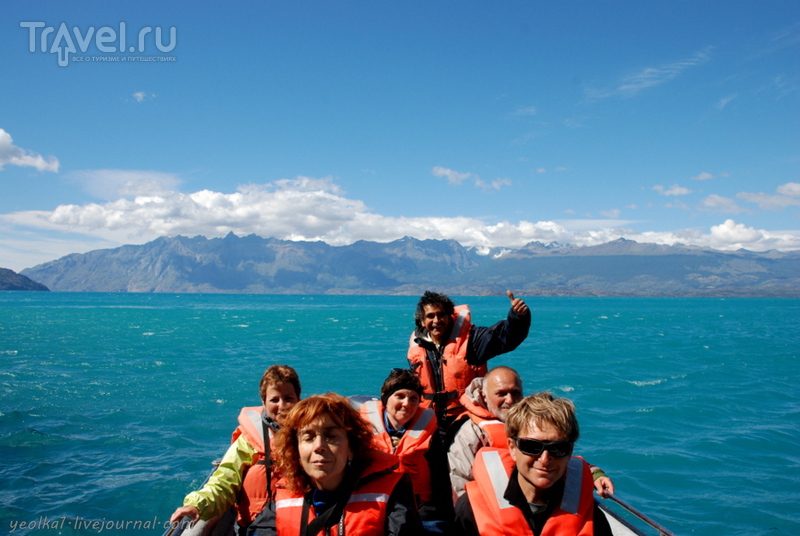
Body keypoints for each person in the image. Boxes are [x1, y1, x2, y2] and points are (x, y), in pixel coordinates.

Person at [247, 393, 423, 536]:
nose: (319, 447)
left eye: (331, 437)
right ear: (297, 450)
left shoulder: (391, 497)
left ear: (351, 447)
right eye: (308, 437)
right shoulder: (280, 502)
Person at [454, 392, 613, 536]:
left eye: (558, 448)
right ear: (512, 448)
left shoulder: (590, 518)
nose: (544, 459)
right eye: (532, 446)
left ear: (569, 453)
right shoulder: (471, 510)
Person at [170, 364, 301, 535]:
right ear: (263, 402)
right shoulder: (248, 440)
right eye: (274, 400)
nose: (282, 405)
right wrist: (197, 504)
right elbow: (225, 480)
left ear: (298, 398)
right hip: (255, 527)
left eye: (288, 398)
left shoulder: (309, 435)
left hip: (298, 523)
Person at [447, 367, 613, 500]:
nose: (510, 400)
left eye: (515, 393)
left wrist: (593, 474)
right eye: (501, 394)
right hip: (493, 510)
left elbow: (557, 454)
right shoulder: (470, 434)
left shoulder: (532, 422)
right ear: (484, 395)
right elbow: (460, 482)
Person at [407, 290, 531, 429]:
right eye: (430, 316)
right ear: (422, 321)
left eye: (441, 314)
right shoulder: (418, 345)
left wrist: (518, 318)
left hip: (467, 420)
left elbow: (505, 338)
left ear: (450, 316)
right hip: (430, 420)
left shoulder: (472, 340)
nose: (436, 321)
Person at [359, 369, 454, 534]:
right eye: (400, 396)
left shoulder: (431, 432)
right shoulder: (362, 430)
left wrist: (430, 513)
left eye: (413, 399)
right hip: (375, 504)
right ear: (385, 398)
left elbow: (440, 478)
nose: (407, 404)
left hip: (420, 509)